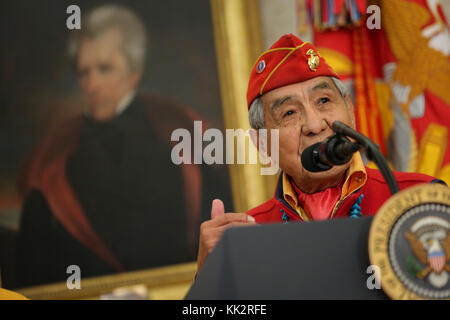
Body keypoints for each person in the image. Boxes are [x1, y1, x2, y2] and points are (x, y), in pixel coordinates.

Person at [14, 5, 231, 288]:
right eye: (83, 73)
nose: (92, 84)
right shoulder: (57, 161)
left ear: (133, 73)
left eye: (104, 69)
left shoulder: (175, 140)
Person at [196, 34, 445, 271]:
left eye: (324, 101)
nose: (315, 126)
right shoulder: (247, 237)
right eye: (289, 113)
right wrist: (210, 279)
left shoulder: (422, 199)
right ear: (262, 144)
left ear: (350, 109)